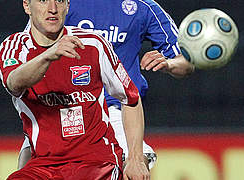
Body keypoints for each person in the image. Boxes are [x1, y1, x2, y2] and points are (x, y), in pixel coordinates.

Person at [18, 0, 195, 171]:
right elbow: (31, 49)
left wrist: (169, 64)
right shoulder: (61, 4)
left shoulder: (143, 7)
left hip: (115, 111)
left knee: (135, 166)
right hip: (67, 108)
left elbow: (187, 61)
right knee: (29, 165)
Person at [0, 0, 149, 179]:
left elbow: (130, 98)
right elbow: (14, 82)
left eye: (59, 1)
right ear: (27, 6)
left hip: (97, 164)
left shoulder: (93, 44)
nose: (53, 9)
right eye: (43, 1)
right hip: (44, 166)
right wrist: (48, 56)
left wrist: (135, 158)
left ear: (68, 5)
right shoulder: (14, 48)